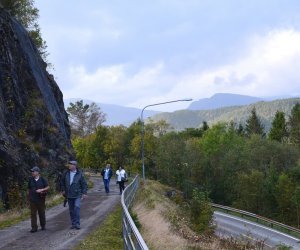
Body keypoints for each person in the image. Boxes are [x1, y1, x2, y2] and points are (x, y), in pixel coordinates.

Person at [61, 160, 88, 230]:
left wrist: (84, 193)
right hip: (69, 194)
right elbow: (62, 182)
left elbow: (84, 184)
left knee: (77, 207)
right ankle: (73, 224)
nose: (69, 166)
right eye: (69, 164)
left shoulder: (80, 174)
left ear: (75, 166)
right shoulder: (66, 173)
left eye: (70, 164)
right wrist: (63, 190)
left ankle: (77, 224)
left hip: (77, 194)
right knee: (71, 210)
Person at [27, 166, 49, 233]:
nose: (32, 172)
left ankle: (43, 225)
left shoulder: (43, 179)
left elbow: (48, 187)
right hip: (32, 199)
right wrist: (28, 198)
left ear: (37, 172)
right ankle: (34, 228)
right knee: (33, 214)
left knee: (41, 212)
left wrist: (42, 189)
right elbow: (28, 189)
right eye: (32, 171)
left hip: (41, 199)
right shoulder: (30, 179)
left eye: (33, 171)